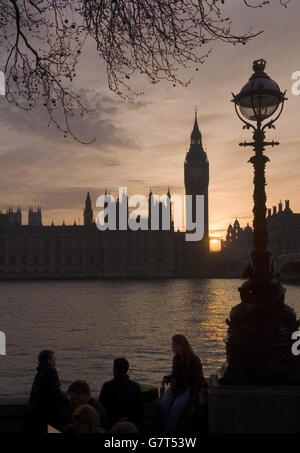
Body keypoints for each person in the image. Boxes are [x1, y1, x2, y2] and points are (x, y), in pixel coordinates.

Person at [160, 334, 207, 433]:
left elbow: (196, 382)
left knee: (176, 407)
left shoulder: (194, 360)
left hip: (188, 388)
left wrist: (193, 403)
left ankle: (167, 432)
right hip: (176, 387)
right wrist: (168, 378)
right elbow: (175, 375)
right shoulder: (176, 358)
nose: (171, 346)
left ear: (179, 345)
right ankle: (166, 427)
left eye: (173, 344)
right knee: (164, 404)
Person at [28, 350, 68, 433]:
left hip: (37, 413)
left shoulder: (40, 371)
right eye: (53, 357)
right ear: (48, 360)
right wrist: (66, 398)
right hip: (48, 413)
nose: (55, 359)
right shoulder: (50, 370)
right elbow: (55, 391)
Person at [98, 358, 143, 429]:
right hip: (131, 425)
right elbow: (140, 410)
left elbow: (101, 408)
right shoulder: (135, 386)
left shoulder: (107, 386)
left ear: (115, 370)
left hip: (111, 425)